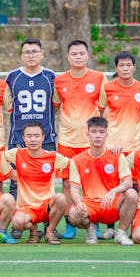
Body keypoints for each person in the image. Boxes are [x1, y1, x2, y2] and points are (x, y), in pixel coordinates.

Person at [52, 40, 107, 239]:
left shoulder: (99, 78)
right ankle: (70, 224)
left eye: (81, 53)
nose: (78, 57)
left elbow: (103, 109)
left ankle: (95, 221)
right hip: (67, 141)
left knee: (94, 184)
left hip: (90, 143)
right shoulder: (59, 81)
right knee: (67, 185)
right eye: (74, 54)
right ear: (68, 57)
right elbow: (56, 107)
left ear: (87, 55)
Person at [5, 38, 57, 238]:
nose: (31, 55)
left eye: (34, 51)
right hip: (19, 137)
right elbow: (9, 106)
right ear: (21, 55)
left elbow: (56, 105)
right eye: (27, 52)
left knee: (46, 183)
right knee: (16, 182)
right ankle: (16, 223)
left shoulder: (51, 76)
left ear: (42, 54)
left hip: (46, 138)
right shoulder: (13, 77)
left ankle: (48, 225)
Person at [101, 51, 140, 239]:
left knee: (136, 188)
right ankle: (110, 226)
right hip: (114, 147)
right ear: (116, 68)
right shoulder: (107, 89)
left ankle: (134, 224)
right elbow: (101, 118)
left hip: (136, 146)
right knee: (113, 186)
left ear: (134, 67)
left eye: (128, 65)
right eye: (121, 65)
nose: (125, 68)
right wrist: (107, 142)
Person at [68, 117, 137, 246]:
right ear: (87, 134)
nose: (97, 136)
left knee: (132, 194)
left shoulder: (117, 156)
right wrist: (78, 203)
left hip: (113, 203)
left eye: (101, 132)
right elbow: (74, 189)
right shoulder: (77, 160)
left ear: (106, 135)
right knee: (73, 214)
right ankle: (91, 229)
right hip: (91, 205)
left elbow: (128, 182)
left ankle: (121, 233)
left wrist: (113, 191)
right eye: (94, 132)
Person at [4, 121, 69, 244]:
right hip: (27, 207)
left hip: (46, 206)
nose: (33, 139)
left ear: (43, 137)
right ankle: (34, 232)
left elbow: (75, 163)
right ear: (23, 137)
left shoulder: (52, 156)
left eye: (37, 135)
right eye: (29, 136)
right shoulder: (17, 153)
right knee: (17, 223)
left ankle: (49, 232)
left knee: (61, 198)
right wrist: (11, 174)